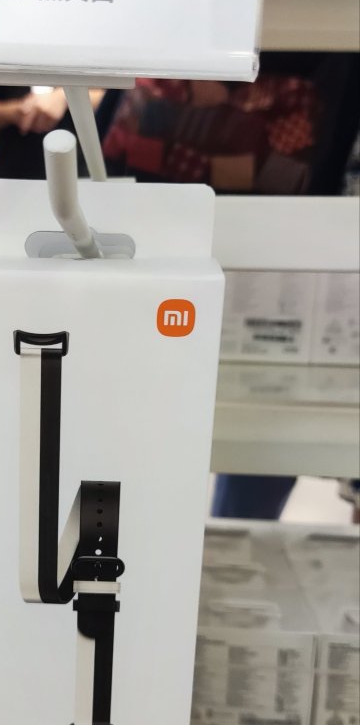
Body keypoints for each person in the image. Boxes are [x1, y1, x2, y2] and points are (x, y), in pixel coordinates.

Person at [101, 53, 360, 520]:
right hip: (173, 227)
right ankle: (149, 538)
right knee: (140, 412)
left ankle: (190, 539)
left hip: (281, 246)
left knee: (265, 411)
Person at [0, 85, 104, 179]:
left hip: (70, 169)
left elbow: (105, 98)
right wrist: (16, 111)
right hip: (11, 168)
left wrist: (64, 96)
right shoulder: (13, 59)